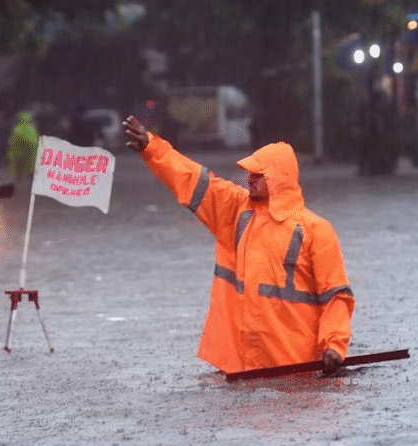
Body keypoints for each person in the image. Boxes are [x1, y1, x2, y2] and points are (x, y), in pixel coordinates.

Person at [123, 115, 354, 375]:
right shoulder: (236, 211)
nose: (250, 179)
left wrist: (334, 345)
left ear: (278, 178)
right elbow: (193, 181)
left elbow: (336, 296)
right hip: (242, 368)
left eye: (258, 175)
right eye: (250, 174)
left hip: (296, 370)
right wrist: (152, 148)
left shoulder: (316, 230)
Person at [7, 111, 39, 181]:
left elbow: (13, 141)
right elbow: (35, 140)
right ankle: (31, 174)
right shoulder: (31, 128)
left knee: (18, 161)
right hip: (31, 150)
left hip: (20, 150)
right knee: (31, 162)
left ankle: (19, 175)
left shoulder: (17, 128)